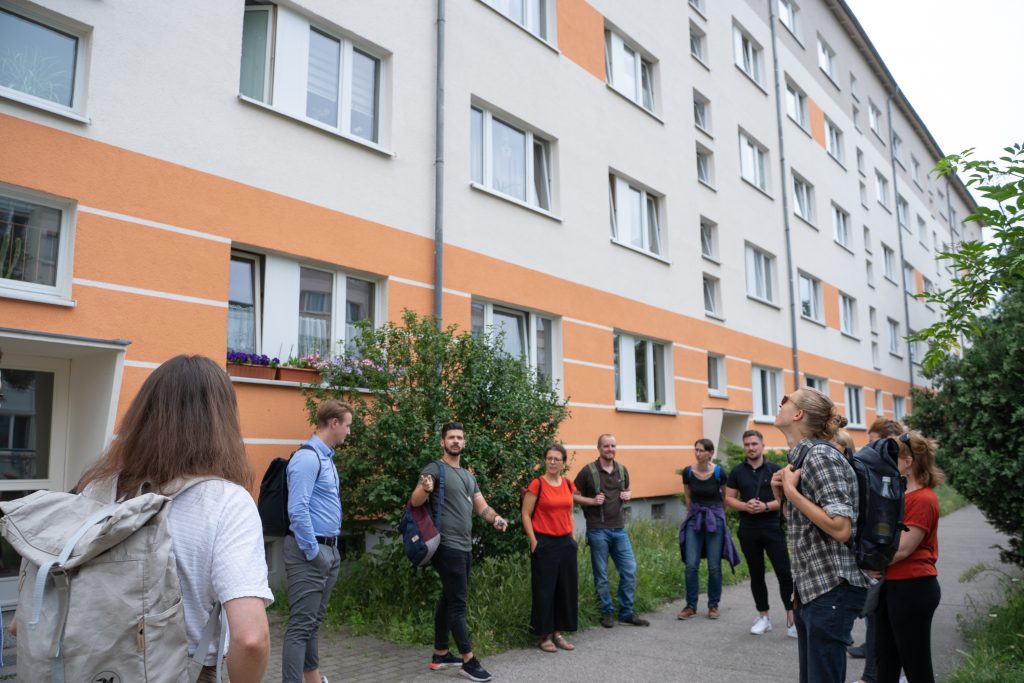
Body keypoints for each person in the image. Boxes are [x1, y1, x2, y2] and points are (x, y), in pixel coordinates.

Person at [74, 355, 272, 682]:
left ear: (143, 415)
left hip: (98, 670)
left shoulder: (97, 490)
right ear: (221, 422)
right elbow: (251, 639)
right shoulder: (226, 502)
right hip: (183, 671)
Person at [771, 387, 872, 683]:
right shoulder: (803, 457)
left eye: (786, 399)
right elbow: (812, 526)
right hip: (813, 590)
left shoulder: (820, 456)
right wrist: (785, 499)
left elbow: (841, 527)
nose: (781, 403)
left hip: (832, 589)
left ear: (799, 413)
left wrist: (790, 491)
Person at [410, 421, 508, 682]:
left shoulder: (467, 475)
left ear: (464, 442)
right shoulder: (435, 468)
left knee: (448, 597)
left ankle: (440, 654)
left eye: (459, 437)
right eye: (451, 437)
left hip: (465, 546)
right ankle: (469, 660)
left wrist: (496, 518)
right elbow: (416, 500)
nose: (455, 441)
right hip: (446, 546)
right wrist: (425, 488)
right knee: (458, 603)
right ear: (442, 442)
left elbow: (481, 507)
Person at [283, 399, 352, 683]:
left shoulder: (327, 459)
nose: (349, 432)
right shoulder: (307, 458)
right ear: (333, 423)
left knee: (312, 624)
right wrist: (313, 552)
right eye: (347, 425)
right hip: (309, 552)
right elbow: (297, 510)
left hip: (328, 550)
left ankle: (313, 679)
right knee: (300, 627)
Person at [874, 431, 944, 683]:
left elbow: (903, 549)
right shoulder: (901, 495)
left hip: (913, 588)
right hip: (894, 586)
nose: (889, 462)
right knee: (886, 662)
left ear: (908, 461)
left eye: (894, 457)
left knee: (917, 667)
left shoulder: (923, 499)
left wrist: (869, 563)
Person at [851, 419, 908, 683]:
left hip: (898, 572)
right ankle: (876, 669)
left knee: (878, 620)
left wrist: (874, 560)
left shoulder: (897, 479)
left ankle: (871, 675)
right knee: (875, 619)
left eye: (873, 441)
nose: (869, 448)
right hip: (884, 564)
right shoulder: (887, 474)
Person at [573, 434, 650, 628]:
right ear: (598, 448)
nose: (610, 449)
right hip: (597, 530)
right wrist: (591, 501)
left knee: (630, 569)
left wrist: (628, 494)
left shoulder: (622, 470)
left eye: (613, 446)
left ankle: (626, 612)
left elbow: (628, 490)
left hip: (619, 528)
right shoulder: (588, 471)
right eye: (606, 446)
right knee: (602, 575)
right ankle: (606, 612)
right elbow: (572, 495)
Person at [724, 430, 796, 636]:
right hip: (748, 530)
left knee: (784, 574)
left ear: (762, 445)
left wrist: (765, 506)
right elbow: (729, 498)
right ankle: (763, 616)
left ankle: (792, 619)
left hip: (772, 529)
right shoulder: (737, 471)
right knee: (756, 575)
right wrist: (745, 506)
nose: (750, 448)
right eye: (747, 444)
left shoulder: (775, 470)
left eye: (754, 444)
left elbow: (786, 500)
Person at [521, 444, 578, 653]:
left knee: (565, 590)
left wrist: (572, 538)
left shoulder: (568, 485)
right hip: (544, 543)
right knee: (545, 591)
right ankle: (543, 636)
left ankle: (558, 633)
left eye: (557, 459)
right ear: (545, 460)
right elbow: (525, 514)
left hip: (565, 543)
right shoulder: (537, 484)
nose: (552, 462)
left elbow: (570, 512)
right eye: (549, 458)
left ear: (563, 462)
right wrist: (534, 541)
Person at [677, 439, 740, 620]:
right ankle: (690, 606)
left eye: (702, 450)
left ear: (711, 453)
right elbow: (688, 496)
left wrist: (717, 515)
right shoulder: (688, 472)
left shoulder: (719, 472)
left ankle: (713, 605)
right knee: (691, 565)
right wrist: (694, 514)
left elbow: (726, 498)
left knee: (714, 566)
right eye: (696, 450)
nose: (698, 453)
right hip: (695, 518)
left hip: (715, 519)